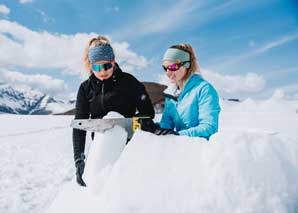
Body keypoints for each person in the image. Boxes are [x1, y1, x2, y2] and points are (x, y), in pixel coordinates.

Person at [73, 35, 155, 186]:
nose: (102, 71)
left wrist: (138, 123)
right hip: (101, 148)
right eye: (97, 67)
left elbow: (148, 111)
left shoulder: (129, 82)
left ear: (113, 62)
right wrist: (79, 160)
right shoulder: (85, 89)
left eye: (107, 66)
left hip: (130, 147)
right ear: (90, 65)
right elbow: (80, 126)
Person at [143, 44, 220, 138]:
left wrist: (178, 135)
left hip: (201, 149)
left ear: (186, 65)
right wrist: (153, 127)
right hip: (181, 148)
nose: (168, 73)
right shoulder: (171, 94)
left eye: (172, 68)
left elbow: (209, 127)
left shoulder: (204, 89)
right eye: (165, 68)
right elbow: (166, 125)